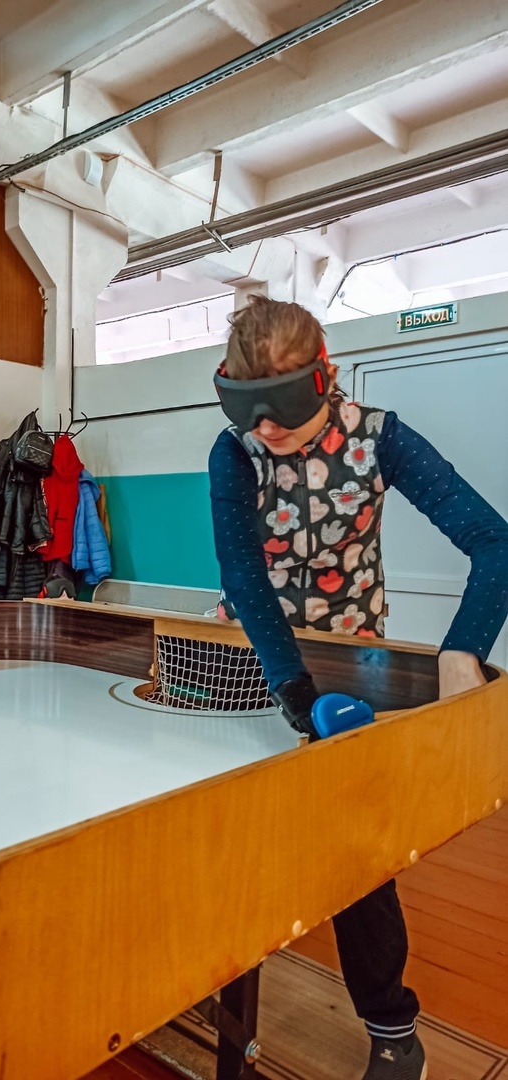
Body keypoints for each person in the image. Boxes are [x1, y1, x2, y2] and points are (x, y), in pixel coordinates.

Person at [208, 295, 508, 1080]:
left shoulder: (382, 438)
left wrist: (461, 652)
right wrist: (291, 687)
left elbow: (494, 543)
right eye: (246, 406)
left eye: (282, 402)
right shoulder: (233, 453)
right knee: (221, 833)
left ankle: (390, 1028)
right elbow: (243, 576)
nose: (265, 426)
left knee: (356, 856)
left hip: (349, 664)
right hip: (255, 656)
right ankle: (210, 981)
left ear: (325, 375)